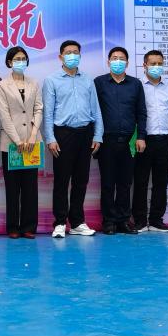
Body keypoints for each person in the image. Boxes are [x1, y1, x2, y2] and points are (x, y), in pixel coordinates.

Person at [43, 40, 103, 238]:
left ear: (80, 55)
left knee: (81, 180)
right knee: (62, 180)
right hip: (63, 134)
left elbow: (96, 110)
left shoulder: (87, 80)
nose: (72, 56)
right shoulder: (51, 80)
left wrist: (98, 135)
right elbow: (48, 113)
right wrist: (50, 138)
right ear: (60, 57)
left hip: (85, 133)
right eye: (68, 52)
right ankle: (60, 222)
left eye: (75, 52)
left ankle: (77, 222)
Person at [94, 46, 146, 235]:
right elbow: (94, 111)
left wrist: (141, 137)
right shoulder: (99, 83)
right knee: (108, 183)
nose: (118, 61)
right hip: (106, 141)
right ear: (108, 62)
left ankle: (123, 220)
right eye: (114, 58)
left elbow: (141, 112)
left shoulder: (135, 84)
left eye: (121, 58)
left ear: (127, 63)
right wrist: (95, 137)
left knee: (125, 183)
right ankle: (109, 221)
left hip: (129, 141)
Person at [0, 46, 42, 238]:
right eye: (17, 59)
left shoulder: (34, 83)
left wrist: (32, 135)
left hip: (32, 142)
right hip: (11, 143)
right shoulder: (2, 85)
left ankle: (29, 226)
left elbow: (38, 109)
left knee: (30, 187)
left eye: (23, 58)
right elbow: (4, 115)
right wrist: (17, 140)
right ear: (9, 62)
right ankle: (13, 227)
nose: (21, 61)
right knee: (13, 187)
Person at [132, 50, 168, 234]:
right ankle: (140, 221)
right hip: (143, 139)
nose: (157, 67)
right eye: (153, 64)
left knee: (161, 182)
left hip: (164, 138)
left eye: (160, 63)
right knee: (140, 181)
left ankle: (157, 220)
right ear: (144, 65)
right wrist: (140, 137)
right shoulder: (137, 85)